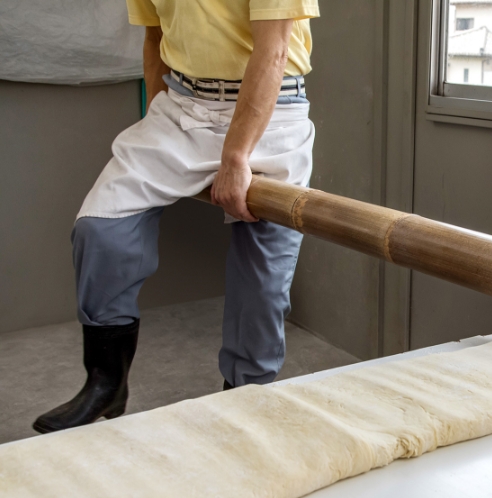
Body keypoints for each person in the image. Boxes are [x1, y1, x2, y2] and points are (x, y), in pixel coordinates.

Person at [33, 0, 319, 434]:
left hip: (271, 109)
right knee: (100, 228)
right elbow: (155, 40)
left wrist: (236, 154)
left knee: (263, 271)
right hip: (181, 106)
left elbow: (274, 49)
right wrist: (156, 124)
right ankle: (106, 383)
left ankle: (245, 398)